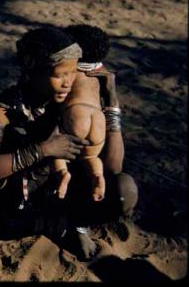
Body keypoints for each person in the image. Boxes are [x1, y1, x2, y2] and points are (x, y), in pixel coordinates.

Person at [0, 26, 89, 242]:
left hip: (60, 192)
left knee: (124, 189)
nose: (68, 82)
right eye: (59, 75)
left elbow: (112, 165)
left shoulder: (75, 101)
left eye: (73, 72)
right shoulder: (6, 110)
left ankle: (76, 226)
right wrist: (42, 150)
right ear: (34, 72)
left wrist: (112, 105)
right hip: (19, 196)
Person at [61, 24, 138, 259]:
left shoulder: (101, 80)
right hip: (50, 166)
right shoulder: (60, 77)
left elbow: (114, 165)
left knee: (123, 188)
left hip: (86, 171)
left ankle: (79, 222)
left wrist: (112, 100)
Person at [53, 25, 109, 201]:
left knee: (56, 150)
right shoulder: (101, 71)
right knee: (91, 156)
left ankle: (63, 173)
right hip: (98, 120)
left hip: (76, 114)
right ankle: (97, 176)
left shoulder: (71, 69)